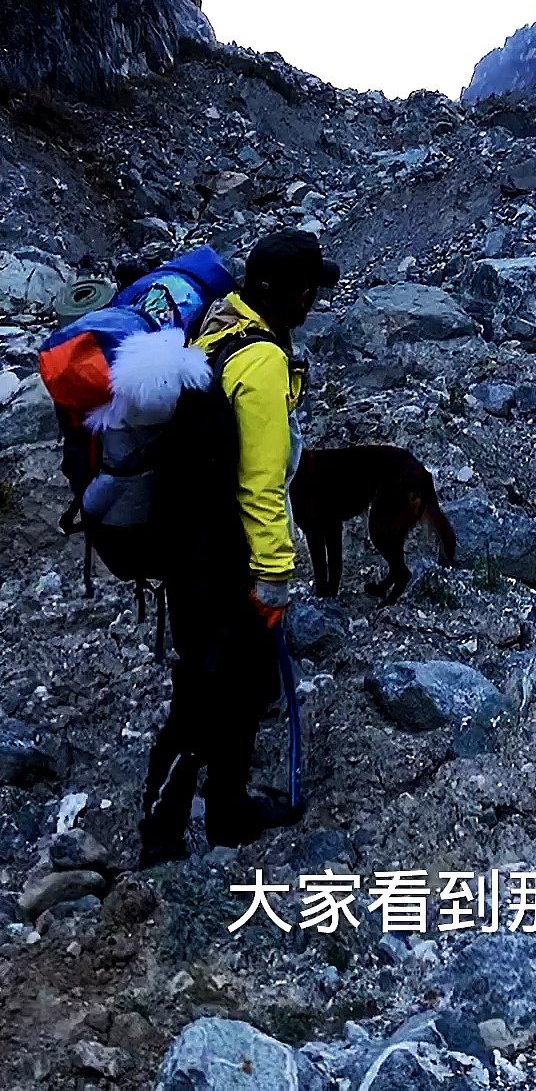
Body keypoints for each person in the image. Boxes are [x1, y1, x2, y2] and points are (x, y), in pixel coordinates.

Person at [138, 228, 340, 867]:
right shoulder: (262, 362)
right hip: (219, 556)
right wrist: (276, 574)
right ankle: (162, 838)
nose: (314, 302)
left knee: (247, 680)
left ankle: (227, 810)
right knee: (203, 693)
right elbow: (260, 482)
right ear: (299, 297)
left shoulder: (223, 324)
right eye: (312, 291)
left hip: (194, 538)